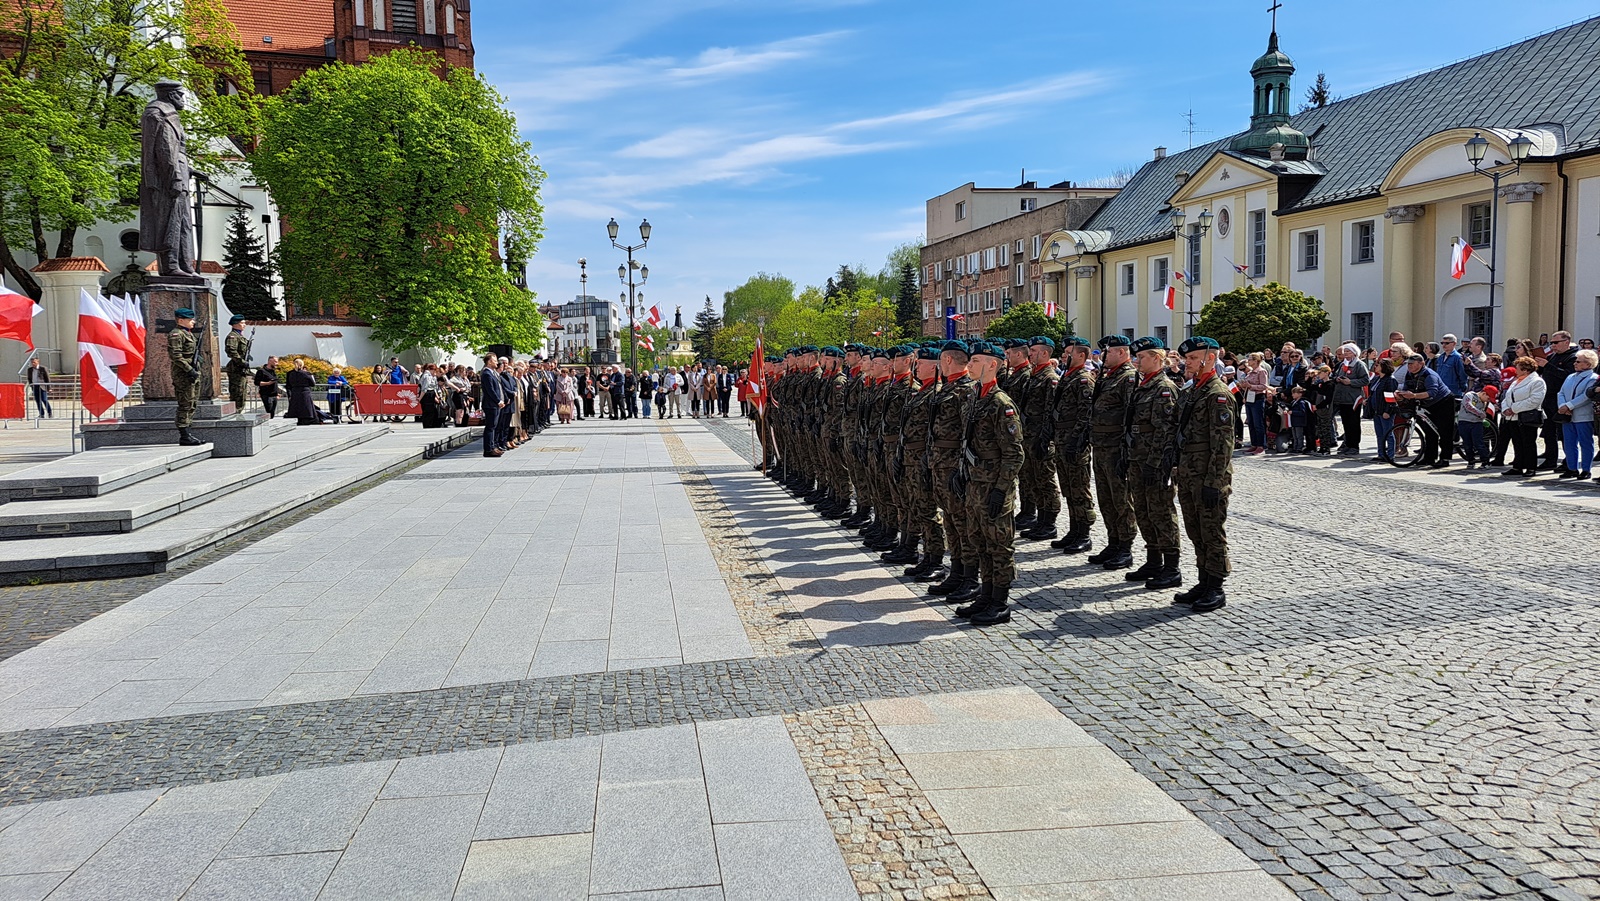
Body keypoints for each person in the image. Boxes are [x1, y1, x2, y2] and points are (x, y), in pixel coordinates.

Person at [954, 340, 1023, 626]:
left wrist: (1000, 490)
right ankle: (986, 593)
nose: (969, 366)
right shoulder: (974, 397)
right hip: (974, 483)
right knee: (979, 541)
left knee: (999, 545)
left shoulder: (1000, 403)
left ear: (992, 364)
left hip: (993, 485)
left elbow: (1014, 453)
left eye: (976, 361)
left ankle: (1000, 601)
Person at [1173, 336, 1233, 613]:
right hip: (1188, 472)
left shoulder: (1217, 393)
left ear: (1210, 358)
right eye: (1187, 358)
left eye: (1194, 358)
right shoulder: (1193, 390)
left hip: (1207, 475)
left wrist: (1214, 482)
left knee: (1211, 531)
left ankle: (1216, 586)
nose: (1188, 362)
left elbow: (1223, 444)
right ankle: (1203, 579)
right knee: (1195, 529)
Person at [1123, 336, 1182, 590]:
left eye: (1142, 357)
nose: (1137, 361)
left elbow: (1166, 430)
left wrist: (1156, 463)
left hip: (1154, 462)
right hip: (1138, 457)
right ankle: (1153, 560)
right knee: (1143, 511)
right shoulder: (1143, 385)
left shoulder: (1163, 387)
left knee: (1161, 511)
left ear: (1157, 358)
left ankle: (1171, 567)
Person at [928, 341, 979, 601]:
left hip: (955, 467)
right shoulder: (948, 388)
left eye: (940, 360)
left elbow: (968, 436)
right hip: (941, 463)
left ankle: (971, 576)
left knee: (962, 521)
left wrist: (961, 468)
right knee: (950, 519)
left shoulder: (965, 391)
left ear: (947, 360)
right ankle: (957, 572)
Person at [1086, 335, 1138, 570]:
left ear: (1121, 352)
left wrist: (1126, 450)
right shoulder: (1109, 377)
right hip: (1101, 445)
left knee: (1121, 499)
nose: (1103, 356)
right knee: (1106, 498)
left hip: (1116, 447)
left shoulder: (1127, 378)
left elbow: (1130, 415)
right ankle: (1113, 541)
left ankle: (1125, 547)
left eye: (1107, 352)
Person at [1049, 336, 1097, 555]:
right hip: (1062, 439)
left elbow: (1086, 414)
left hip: (1074, 441)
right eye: (1064, 352)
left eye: (1069, 352)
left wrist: (1076, 441)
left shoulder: (1083, 379)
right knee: (1068, 488)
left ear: (1082, 355)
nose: (1064, 356)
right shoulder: (1068, 377)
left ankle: (1084, 533)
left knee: (1079, 489)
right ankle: (1074, 529)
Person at [1018, 337, 1061, 542]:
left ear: (1045, 353)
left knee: (1045, 481)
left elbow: (1049, 411)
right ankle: (1040, 520)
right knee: (1033, 480)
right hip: (1028, 435)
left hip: (1040, 437)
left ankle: (1049, 522)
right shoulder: (1034, 376)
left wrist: (1045, 438)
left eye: (1034, 350)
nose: (1030, 354)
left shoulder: (1049, 378)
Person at [1395, 354, 1453, 468]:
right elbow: (1407, 387)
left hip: (1443, 401)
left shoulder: (1429, 375)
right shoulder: (1410, 373)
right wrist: (1401, 395)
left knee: (1444, 430)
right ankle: (1429, 457)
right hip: (1425, 403)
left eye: (1412, 364)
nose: (1409, 366)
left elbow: (1432, 393)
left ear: (1421, 364)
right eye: (1408, 364)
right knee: (1429, 430)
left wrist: (1414, 395)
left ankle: (1445, 458)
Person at [1537, 331, 1578, 473]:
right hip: (1548, 398)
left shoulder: (1573, 357)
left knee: (1564, 433)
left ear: (1566, 342)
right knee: (1548, 432)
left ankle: (1569, 462)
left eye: (1556, 342)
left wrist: (1547, 365)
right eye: (1552, 342)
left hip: (1562, 399)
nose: (1553, 345)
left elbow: (1567, 375)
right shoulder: (1553, 356)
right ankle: (1550, 460)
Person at [1500, 357, 1546, 477]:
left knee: (1528, 443)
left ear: (1526, 370)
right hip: (1513, 417)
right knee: (1517, 442)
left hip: (1527, 417)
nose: (1515, 369)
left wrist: (1514, 408)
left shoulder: (1537, 381)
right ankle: (1517, 466)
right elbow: (1507, 397)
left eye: (1518, 367)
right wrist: (1505, 408)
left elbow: (1534, 400)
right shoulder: (1517, 381)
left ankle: (1531, 467)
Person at [1556, 348, 1596, 480]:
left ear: (1588, 364)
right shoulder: (1570, 377)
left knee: (1585, 443)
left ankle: (1586, 469)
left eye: (1578, 362)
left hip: (1583, 415)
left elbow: (1586, 396)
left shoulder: (1593, 378)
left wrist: (1570, 405)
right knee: (1569, 443)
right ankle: (1572, 468)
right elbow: (1561, 392)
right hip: (1567, 415)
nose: (1575, 363)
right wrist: (1562, 406)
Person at [169, 307, 206, 445]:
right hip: (183, 375)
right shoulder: (176, 334)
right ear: (181, 320)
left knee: (192, 403)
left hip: (193, 373)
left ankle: (188, 432)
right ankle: (184, 435)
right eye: (190, 320)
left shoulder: (188, 334)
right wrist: (190, 370)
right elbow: (176, 356)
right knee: (185, 404)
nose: (193, 322)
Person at [1332, 343, 1368, 455]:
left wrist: (1351, 382)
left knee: (1354, 423)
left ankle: (1354, 445)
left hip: (1353, 399)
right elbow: (1334, 375)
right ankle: (1347, 444)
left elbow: (1366, 380)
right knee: (1346, 423)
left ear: (1354, 352)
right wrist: (1337, 379)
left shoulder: (1359, 364)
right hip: (1342, 398)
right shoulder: (1342, 364)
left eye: (1348, 351)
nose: (1345, 353)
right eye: (1345, 351)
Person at [1370, 358, 1400, 463]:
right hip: (1376, 411)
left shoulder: (1390, 380)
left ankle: (1390, 455)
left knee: (1388, 433)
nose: (1375, 366)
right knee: (1379, 434)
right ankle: (1381, 453)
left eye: (1378, 365)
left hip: (1385, 411)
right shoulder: (1377, 379)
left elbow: (1391, 398)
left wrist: (1388, 411)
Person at [1240, 352, 1269, 454]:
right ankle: (1254, 443)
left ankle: (1261, 445)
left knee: (1258, 423)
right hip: (1249, 398)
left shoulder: (1261, 371)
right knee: (1251, 423)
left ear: (1256, 361)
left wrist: (1251, 386)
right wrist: (1244, 385)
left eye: (1251, 359)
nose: (1249, 361)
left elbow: (1264, 386)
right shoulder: (1250, 372)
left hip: (1258, 398)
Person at [480, 353, 505, 457]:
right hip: (490, 404)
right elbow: (490, 390)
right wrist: (498, 400)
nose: (497, 363)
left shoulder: (492, 373)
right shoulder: (486, 374)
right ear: (489, 362)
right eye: (495, 361)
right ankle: (488, 449)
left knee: (493, 426)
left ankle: (493, 446)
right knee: (490, 427)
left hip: (494, 404)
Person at [224, 315, 251, 410]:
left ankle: (239, 410)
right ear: (235, 324)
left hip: (240, 368)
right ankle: (236, 411)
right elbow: (231, 351)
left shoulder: (239, 336)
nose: (244, 325)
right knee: (237, 392)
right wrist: (241, 361)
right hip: (236, 368)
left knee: (242, 392)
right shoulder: (233, 336)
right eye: (242, 323)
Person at [285, 358, 320, 425]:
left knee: (295, 406)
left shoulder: (290, 374)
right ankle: (307, 419)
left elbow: (288, 384)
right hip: (304, 392)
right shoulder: (306, 373)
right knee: (305, 407)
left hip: (295, 391)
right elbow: (312, 383)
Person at [419, 363, 442, 428]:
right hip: (427, 394)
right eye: (434, 370)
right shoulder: (427, 376)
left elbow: (434, 388)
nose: (435, 371)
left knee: (432, 411)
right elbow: (424, 388)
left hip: (431, 393)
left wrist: (437, 396)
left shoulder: (432, 376)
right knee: (428, 412)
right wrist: (420, 398)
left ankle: (431, 425)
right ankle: (427, 426)